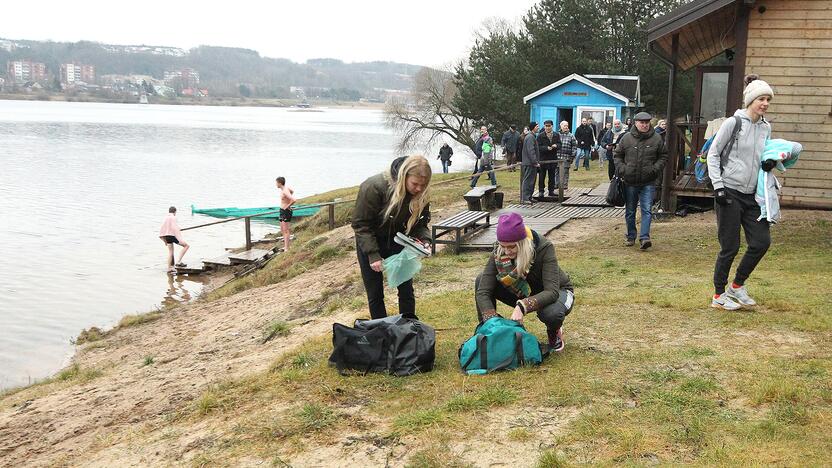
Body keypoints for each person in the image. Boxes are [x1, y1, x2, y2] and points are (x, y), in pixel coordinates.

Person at [707, 75, 774, 311]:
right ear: (750, 100)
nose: (765, 103)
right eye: (760, 99)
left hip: (753, 195)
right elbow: (713, 154)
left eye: (768, 99)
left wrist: (769, 164)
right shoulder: (734, 123)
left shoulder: (766, 127)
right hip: (729, 192)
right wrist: (719, 187)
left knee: (761, 242)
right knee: (730, 246)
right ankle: (718, 295)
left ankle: (736, 286)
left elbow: (765, 156)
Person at [475, 213, 574, 352]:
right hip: (525, 290)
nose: (506, 251)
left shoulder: (545, 247)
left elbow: (552, 292)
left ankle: (554, 330)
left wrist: (522, 306)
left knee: (552, 313)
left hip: (557, 290)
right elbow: (483, 291)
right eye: (503, 246)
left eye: (511, 247)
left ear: (522, 243)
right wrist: (491, 321)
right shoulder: (500, 248)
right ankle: (488, 331)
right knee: (481, 280)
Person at [352, 155, 432, 320]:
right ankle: (380, 330)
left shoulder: (421, 194)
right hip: (371, 241)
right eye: (414, 184)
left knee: (406, 289)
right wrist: (373, 254)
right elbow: (361, 224)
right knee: (375, 293)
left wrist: (425, 240)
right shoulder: (374, 187)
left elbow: (420, 224)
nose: (418, 189)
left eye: (422, 185)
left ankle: (408, 327)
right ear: (404, 177)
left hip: (398, 240)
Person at [613, 112, 668, 250]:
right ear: (636, 123)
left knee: (647, 210)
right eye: (641, 123)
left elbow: (663, 155)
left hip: (648, 181)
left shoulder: (656, 139)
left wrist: (655, 169)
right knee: (630, 211)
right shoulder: (626, 138)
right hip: (630, 181)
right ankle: (631, 236)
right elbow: (617, 155)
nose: (644, 125)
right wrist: (623, 169)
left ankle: (645, 238)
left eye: (646, 122)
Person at [159, 206, 189, 273]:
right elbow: (174, 227)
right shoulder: (173, 217)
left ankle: (169, 268)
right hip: (172, 236)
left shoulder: (166, 217)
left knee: (170, 252)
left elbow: (163, 228)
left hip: (167, 236)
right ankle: (179, 262)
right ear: (175, 211)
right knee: (186, 246)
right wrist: (179, 232)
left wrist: (164, 239)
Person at [536, 120, 561, 197]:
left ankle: (551, 191)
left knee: (552, 176)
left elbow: (560, 144)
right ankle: (541, 191)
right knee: (542, 176)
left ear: (552, 126)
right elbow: (538, 147)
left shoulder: (556, 135)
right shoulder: (540, 136)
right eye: (546, 126)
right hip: (543, 159)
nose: (547, 127)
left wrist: (556, 146)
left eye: (549, 126)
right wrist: (546, 148)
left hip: (553, 158)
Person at [520, 122, 540, 203]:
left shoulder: (532, 136)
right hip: (529, 163)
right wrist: (535, 161)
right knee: (528, 180)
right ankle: (525, 198)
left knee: (532, 181)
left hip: (531, 163)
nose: (538, 127)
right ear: (533, 127)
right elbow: (530, 150)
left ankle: (529, 196)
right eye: (537, 126)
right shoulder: (530, 137)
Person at [276, 176, 296, 251]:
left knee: (286, 230)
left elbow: (294, 200)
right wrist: (287, 200)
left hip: (285, 211)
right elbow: (292, 191)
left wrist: (287, 206)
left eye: (276, 183)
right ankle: (286, 246)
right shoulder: (285, 189)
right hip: (282, 211)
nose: (276, 184)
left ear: (279, 183)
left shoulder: (285, 190)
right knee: (282, 229)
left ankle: (287, 249)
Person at [556, 121, 577, 190]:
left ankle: (564, 186)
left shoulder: (571, 136)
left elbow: (574, 147)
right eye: (564, 125)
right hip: (557, 156)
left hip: (567, 157)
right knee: (557, 171)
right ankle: (556, 184)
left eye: (567, 125)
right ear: (561, 126)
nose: (566, 127)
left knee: (565, 172)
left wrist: (572, 156)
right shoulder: (556, 135)